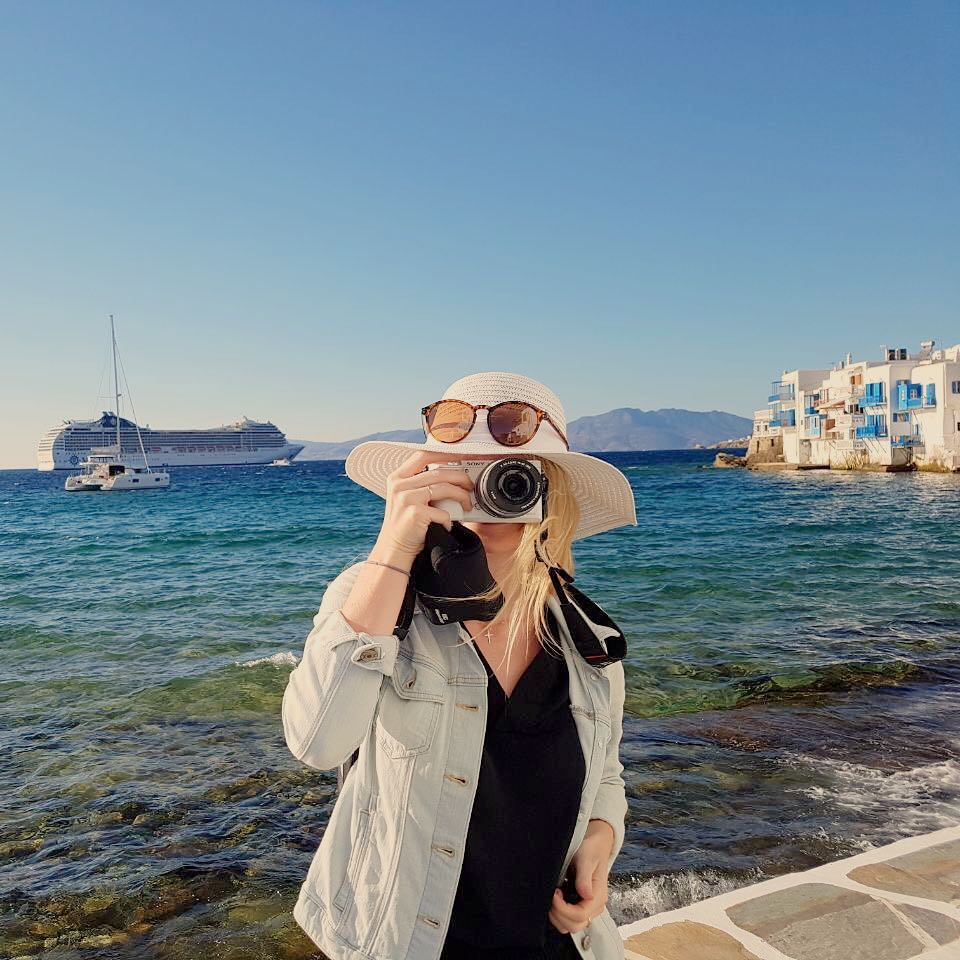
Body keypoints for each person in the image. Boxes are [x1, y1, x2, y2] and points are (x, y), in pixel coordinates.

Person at [282, 371, 637, 960]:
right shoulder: (374, 597)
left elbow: (607, 775)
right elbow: (316, 743)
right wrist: (392, 550)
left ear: (552, 495)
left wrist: (600, 843)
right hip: (403, 941)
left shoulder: (587, 639)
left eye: (512, 475)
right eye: (463, 474)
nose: (484, 496)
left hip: (555, 943)